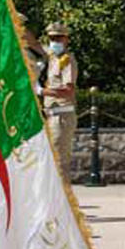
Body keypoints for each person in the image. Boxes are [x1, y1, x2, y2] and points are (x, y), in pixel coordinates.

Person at [42, 21, 78, 178]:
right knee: (50, 160)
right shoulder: (52, 59)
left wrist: (43, 91)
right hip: (51, 115)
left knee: (59, 161)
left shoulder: (67, 60)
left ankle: (62, 200)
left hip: (61, 115)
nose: (55, 42)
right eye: (52, 38)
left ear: (66, 39)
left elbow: (68, 90)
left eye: (59, 38)